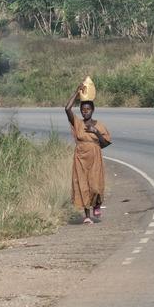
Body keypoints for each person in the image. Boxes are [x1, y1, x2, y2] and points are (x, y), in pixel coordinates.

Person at [65, 81, 112, 225]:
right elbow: (67, 109)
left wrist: (96, 132)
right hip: (80, 158)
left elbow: (104, 144)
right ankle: (87, 216)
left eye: (88, 109)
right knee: (83, 186)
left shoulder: (99, 125)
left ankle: (97, 204)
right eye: (83, 109)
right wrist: (76, 92)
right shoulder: (77, 123)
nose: (85, 111)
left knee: (95, 185)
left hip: (95, 158)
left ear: (93, 110)